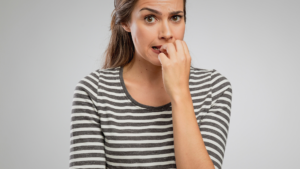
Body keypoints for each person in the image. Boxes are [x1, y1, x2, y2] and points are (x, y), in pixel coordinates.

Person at [69, 0, 232, 168]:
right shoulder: (93, 92)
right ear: (125, 22)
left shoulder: (214, 88)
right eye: (150, 18)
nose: (167, 33)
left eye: (175, 17)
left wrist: (179, 92)